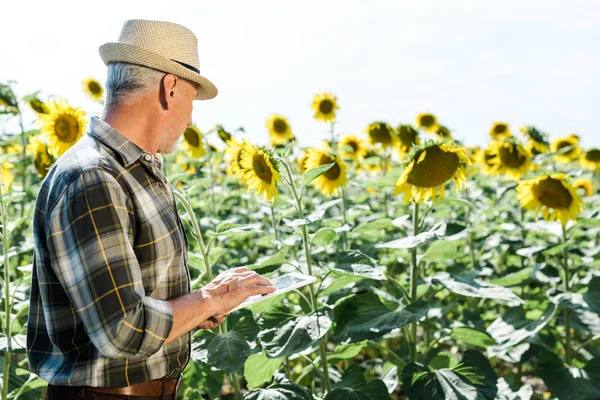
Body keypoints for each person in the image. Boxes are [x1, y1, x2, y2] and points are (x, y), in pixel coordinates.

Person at [26, 19, 276, 400]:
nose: (191, 119)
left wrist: (203, 302)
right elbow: (124, 331)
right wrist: (211, 300)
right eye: (192, 99)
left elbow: (141, 300)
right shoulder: (95, 178)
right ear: (170, 87)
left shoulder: (135, 171)